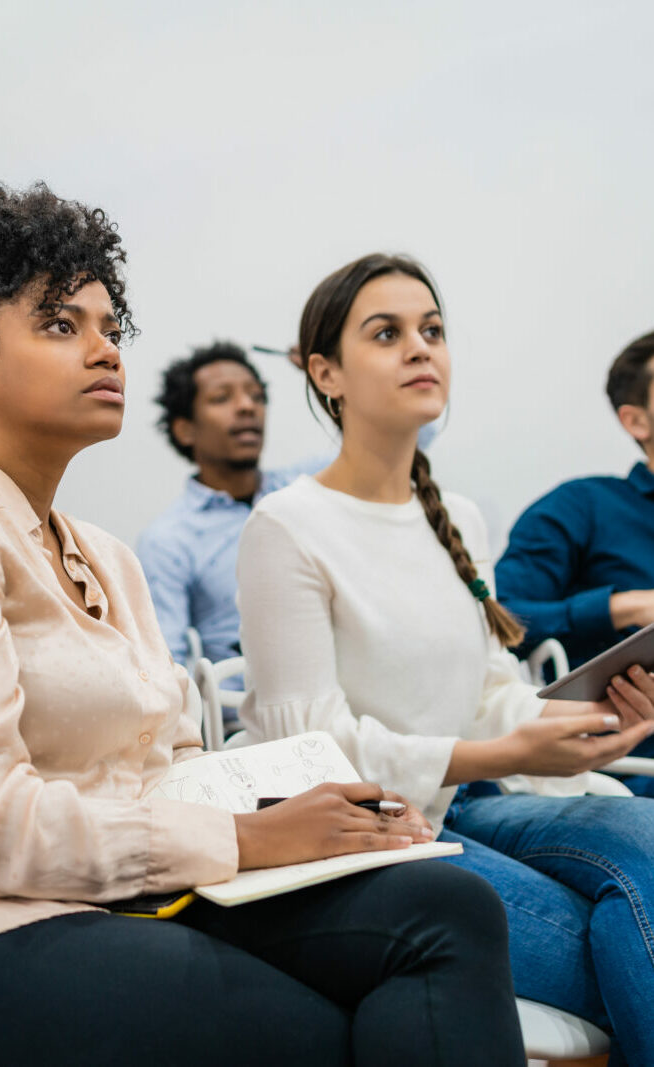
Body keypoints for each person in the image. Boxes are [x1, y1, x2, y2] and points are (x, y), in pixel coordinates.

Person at [0, 182, 525, 1067]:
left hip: (128, 898)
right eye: (61, 325)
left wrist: (293, 808)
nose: (105, 349)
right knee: (322, 1034)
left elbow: (173, 760)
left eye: (109, 326)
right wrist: (243, 838)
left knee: (451, 908)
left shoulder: (107, 556)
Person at [236, 252, 654, 1065]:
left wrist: (591, 719)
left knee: (641, 831)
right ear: (325, 373)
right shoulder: (285, 528)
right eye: (386, 333)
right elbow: (310, 748)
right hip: (369, 832)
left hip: (468, 801)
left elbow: (492, 690)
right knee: (623, 930)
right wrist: (505, 749)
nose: (420, 348)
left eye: (431, 330)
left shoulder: (453, 515)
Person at [137, 342, 322, 678]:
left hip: (342, 706)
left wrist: (328, 374)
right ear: (185, 429)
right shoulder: (167, 541)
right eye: (222, 398)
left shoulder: (305, 487)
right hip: (241, 724)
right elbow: (168, 670)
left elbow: (405, 440)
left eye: (256, 395)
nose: (247, 406)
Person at [496, 331, 654, 668]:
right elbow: (495, 618)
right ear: (636, 420)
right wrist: (625, 607)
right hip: (617, 718)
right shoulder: (581, 507)